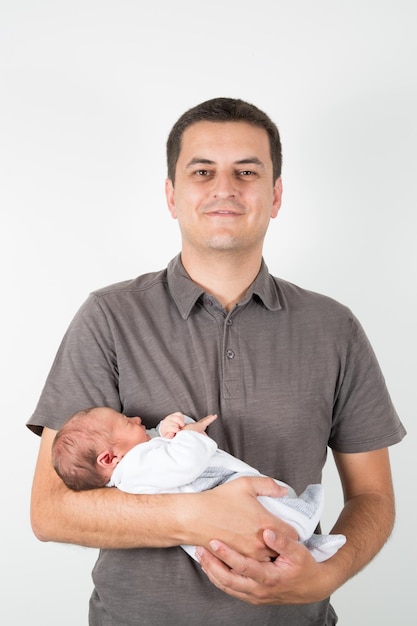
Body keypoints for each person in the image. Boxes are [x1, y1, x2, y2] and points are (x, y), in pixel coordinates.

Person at [28, 97, 406, 625]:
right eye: (202, 171)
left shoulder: (334, 328)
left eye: (246, 172)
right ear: (172, 195)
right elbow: (50, 512)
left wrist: (325, 575)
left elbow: (373, 495)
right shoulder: (108, 317)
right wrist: (197, 516)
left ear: (274, 196)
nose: (224, 188)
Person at [51, 407, 346, 563]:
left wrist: (171, 426)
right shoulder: (135, 469)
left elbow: (166, 443)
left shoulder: (138, 458)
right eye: (127, 423)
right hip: (220, 493)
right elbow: (185, 462)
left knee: (274, 524)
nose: (136, 418)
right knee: (276, 514)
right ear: (108, 458)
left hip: (224, 502)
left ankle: (307, 547)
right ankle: (306, 537)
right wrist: (191, 432)